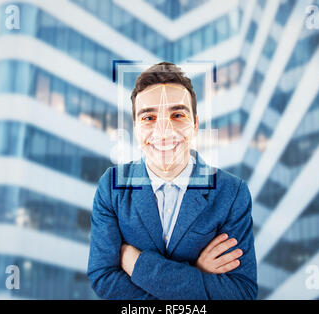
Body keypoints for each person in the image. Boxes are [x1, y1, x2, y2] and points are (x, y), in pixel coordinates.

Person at [87, 62, 258, 299]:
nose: (164, 131)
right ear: (136, 128)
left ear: (195, 125)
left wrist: (135, 262)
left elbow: (241, 291)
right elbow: (103, 277)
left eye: (177, 115)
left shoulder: (232, 193)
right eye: (149, 117)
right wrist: (197, 273)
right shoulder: (112, 187)